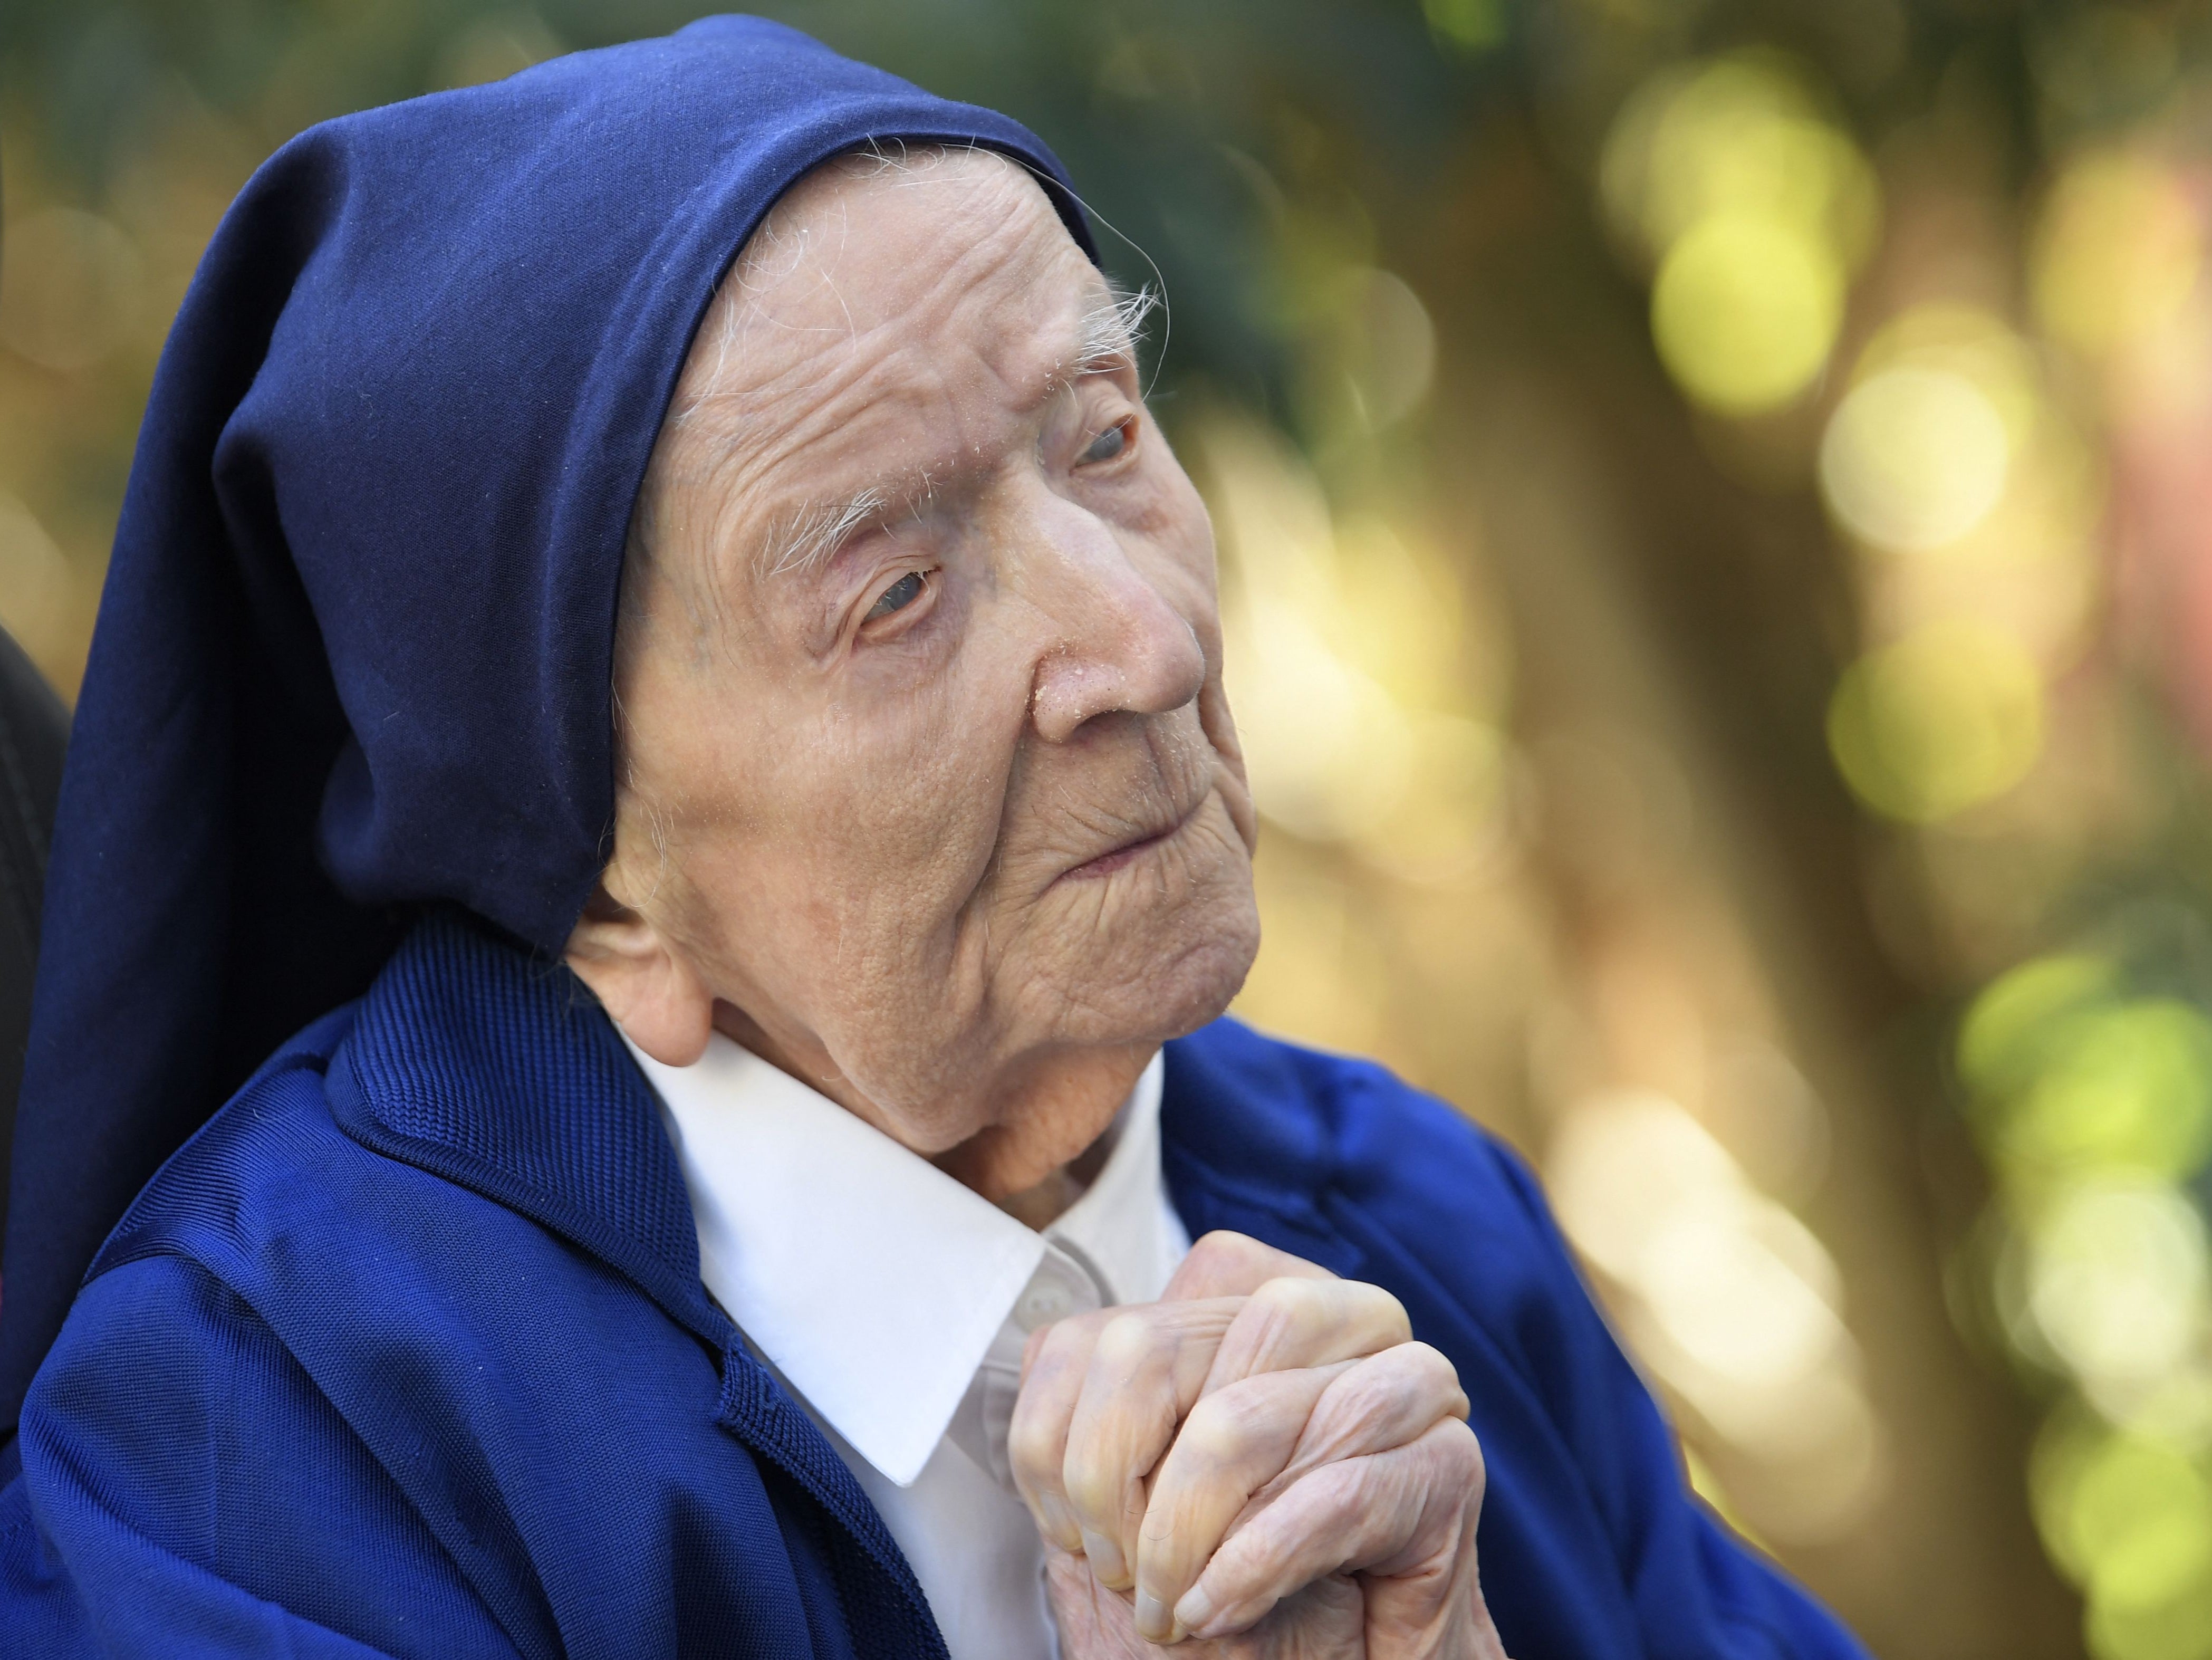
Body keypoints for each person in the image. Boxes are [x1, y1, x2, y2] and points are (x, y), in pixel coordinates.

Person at [0, 17, 1869, 1658]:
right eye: (896, 589)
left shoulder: (1402, 1212)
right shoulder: (277, 1444)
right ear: (599, 878)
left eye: (1105, 442)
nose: (1140, 646)